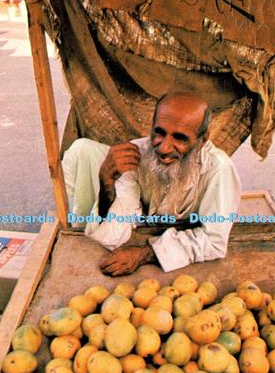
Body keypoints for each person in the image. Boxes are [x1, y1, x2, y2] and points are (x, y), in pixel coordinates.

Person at [62, 92, 241, 275]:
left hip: (180, 258)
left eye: (179, 138)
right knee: (81, 149)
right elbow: (113, 234)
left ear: (202, 140)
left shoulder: (218, 168)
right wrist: (106, 183)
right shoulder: (137, 154)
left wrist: (144, 255)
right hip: (150, 227)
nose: (163, 148)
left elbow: (214, 241)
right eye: (159, 132)